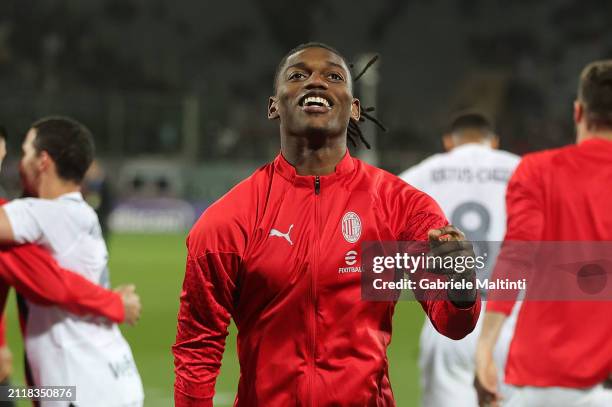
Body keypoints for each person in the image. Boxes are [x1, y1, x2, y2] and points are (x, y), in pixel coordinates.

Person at [173, 42, 481, 407]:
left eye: (333, 76)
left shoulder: (402, 206)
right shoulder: (228, 220)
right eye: (298, 75)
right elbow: (197, 350)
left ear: (353, 109)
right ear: (274, 106)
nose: (316, 82)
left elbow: (453, 324)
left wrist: (462, 286)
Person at [474, 60, 612, 406]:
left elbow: (516, 256)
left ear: (578, 112)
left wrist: (485, 345)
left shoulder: (538, 171)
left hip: (549, 379)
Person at [0, 117, 144, 407]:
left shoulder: (43, 214)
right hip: (110, 377)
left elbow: (52, 285)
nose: (16, 163)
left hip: (80, 386)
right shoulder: (79, 213)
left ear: (43, 161)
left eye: (23, 152)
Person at [399, 112, 520, 407]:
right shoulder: (522, 168)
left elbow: (380, 227)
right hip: (512, 323)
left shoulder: (425, 173)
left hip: (449, 324)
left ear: (448, 142)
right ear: (494, 142)